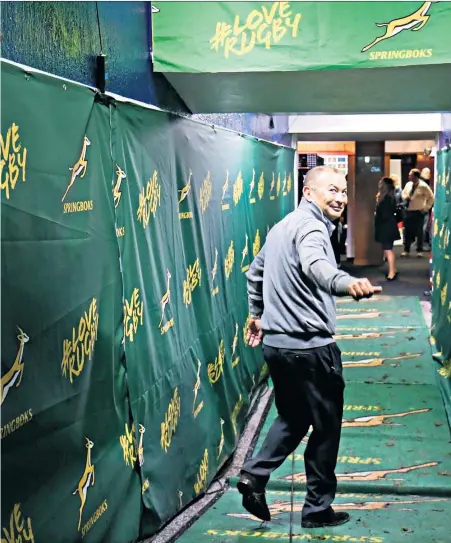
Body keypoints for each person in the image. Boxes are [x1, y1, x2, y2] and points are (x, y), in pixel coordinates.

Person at [238, 166, 382, 529]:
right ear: (307, 192)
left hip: (277, 348)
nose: (341, 198)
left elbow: (254, 274)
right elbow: (316, 265)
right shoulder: (311, 227)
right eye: (332, 190)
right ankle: (317, 511)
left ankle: (254, 475)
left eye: (344, 192)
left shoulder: (281, 227)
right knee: (327, 427)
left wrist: (257, 314)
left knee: (294, 416)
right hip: (311, 350)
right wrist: (346, 283)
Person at [401, 169, 434, 257]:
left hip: (418, 211)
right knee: (407, 231)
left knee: (419, 231)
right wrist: (405, 197)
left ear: (415, 176)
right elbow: (403, 193)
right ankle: (406, 249)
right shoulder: (408, 184)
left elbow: (431, 197)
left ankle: (419, 250)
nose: (408, 177)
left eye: (410, 175)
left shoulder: (423, 186)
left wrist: (426, 208)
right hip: (408, 211)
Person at [374, 177, 400, 280]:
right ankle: (393, 269)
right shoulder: (391, 197)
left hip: (386, 227)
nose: (379, 184)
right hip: (390, 225)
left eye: (381, 183)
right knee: (389, 249)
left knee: (388, 249)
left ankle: (391, 273)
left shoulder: (385, 199)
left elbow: (384, 215)